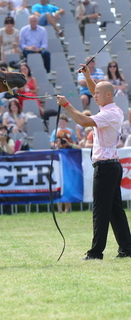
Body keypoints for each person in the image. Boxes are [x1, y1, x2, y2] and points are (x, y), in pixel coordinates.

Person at [56, 65, 131, 260]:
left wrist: (66, 105)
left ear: (107, 95)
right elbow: (95, 90)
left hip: (106, 167)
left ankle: (96, 252)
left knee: (100, 211)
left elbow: (82, 120)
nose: (94, 95)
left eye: (98, 93)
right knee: (115, 211)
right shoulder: (112, 108)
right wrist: (89, 77)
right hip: (111, 165)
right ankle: (126, 249)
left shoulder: (108, 114)